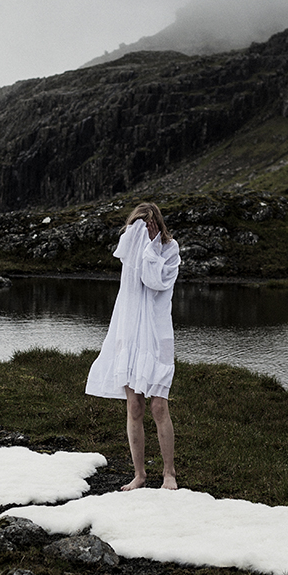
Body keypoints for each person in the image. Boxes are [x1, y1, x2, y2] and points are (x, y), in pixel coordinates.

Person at [85, 202, 182, 490]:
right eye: (138, 225)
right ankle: (139, 474)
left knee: (159, 406)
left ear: (158, 225)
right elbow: (130, 273)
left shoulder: (170, 249)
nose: (143, 230)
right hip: (129, 334)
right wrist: (137, 238)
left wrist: (152, 247)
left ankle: (169, 473)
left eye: (148, 224)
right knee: (134, 406)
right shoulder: (129, 247)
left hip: (157, 336)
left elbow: (154, 281)